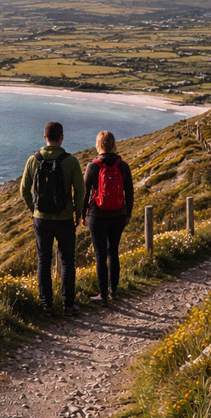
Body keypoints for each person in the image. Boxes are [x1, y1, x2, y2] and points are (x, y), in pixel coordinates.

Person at [20, 121, 86, 314]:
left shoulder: (33, 160)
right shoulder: (71, 161)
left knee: (43, 260)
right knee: (67, 261)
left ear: (45, 138)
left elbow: (23, 190)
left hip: (41, 219)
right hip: (64, 218)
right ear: (62, 138)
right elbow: (80, 192)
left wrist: (34, 210)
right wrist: (78, 214)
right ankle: (68, 304)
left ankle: (46, 305)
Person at [83, 130, 134, 303]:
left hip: (97, 215)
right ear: (113, 144)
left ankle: (102, 294)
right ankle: (114, 290)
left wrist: (82, 215)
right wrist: (128, 214)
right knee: (113, 252)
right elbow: (130, 192)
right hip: (118, 215)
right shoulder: (123, 166)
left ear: (99, 145)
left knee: (100, 255)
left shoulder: (93, 166)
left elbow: (84, 193)